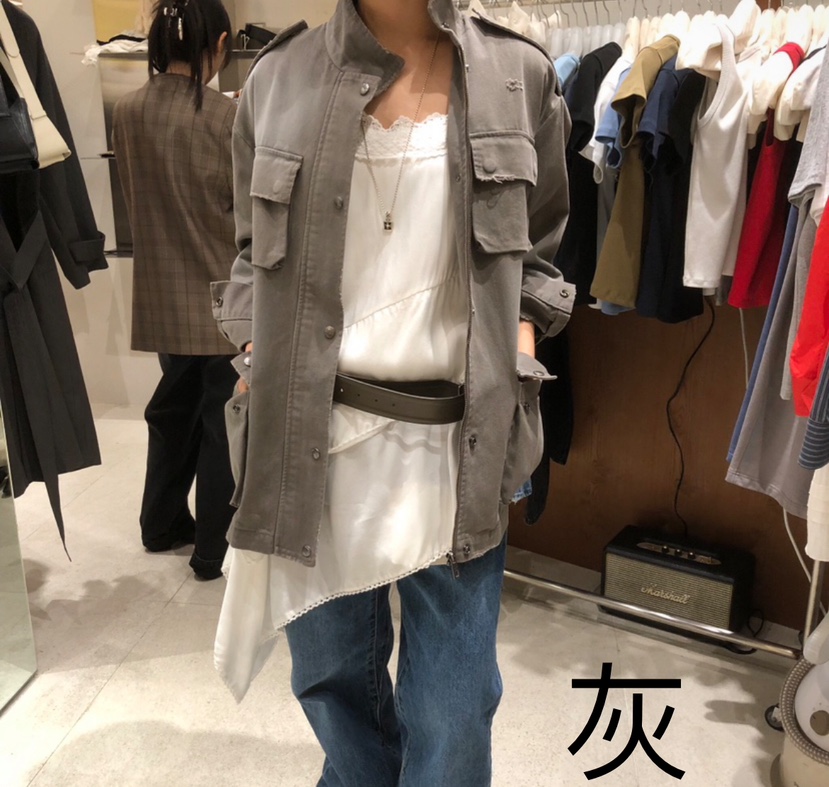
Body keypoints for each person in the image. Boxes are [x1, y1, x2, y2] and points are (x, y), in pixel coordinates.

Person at [212, 0, 573, 783]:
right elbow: (247, 252)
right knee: (331, 681)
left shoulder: (520, 75)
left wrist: (518, 347)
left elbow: (540, 254)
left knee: (453, 705)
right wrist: (254, 348)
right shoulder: (278, 78)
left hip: (458, 445)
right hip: (312, 438)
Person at [112, 0, 237, 581]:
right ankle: (213, 551)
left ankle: (160, 523)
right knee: (222, 424)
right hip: (222, 296)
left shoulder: (127, 111)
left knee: (172, 412)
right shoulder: (227, 117)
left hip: (161, 294)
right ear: (220, 44)